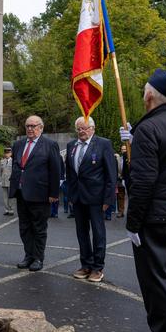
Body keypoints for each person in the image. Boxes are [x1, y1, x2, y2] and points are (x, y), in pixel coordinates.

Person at [120, 68, 166, 332]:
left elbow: (143, 182)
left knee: (157, 282)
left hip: (155, 219)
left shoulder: (147, 130)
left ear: (149, 96)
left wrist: (133, 223)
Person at [66, 116, 116, 283]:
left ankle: (97, 267)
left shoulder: (103, 144)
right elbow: (70, 174)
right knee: (82, 233)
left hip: (97, 198)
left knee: (98, 233)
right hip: (78, 197)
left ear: (93, 129)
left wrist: (108, 199)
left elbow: (111, 174)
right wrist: (70, 196)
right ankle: (86, 264)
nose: (82, 131)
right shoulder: (71, 145)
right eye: (79, 128)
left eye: (85, 128)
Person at [9, 115, 60, 272]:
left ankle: (38, 257)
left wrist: (54, 193)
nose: (30, 129)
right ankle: (28, 255)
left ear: (41, 128)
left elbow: (55, 170)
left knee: (39, 228)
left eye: (33, 126)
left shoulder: (50, 145)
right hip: (21, 192)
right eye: (27, 126)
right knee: (24, 227)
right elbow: (18, 166)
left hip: (40, 194)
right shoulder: (18, 144)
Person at [0, 147, 15, 216]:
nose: (6, 154)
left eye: (8, 153)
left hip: (11, 181)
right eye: (5, 153)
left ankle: (11, 209)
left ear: (11, 153)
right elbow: (0, 172)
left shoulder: (13, 161)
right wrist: (0, 180)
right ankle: (6, 209)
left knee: (11, 195)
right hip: (4, 181)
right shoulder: (2, 161)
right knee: (5, 196)